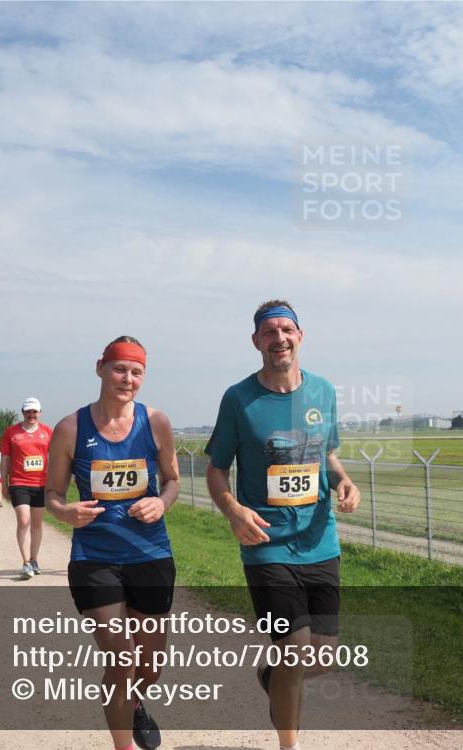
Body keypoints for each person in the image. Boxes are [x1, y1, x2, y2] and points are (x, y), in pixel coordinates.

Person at [205, 300, 361, 750]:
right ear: (256, 341)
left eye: (286, 330)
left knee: (323, 657)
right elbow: (216, 470)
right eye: (269, 332)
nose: (279, 339)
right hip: (266, 544)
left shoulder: (324, 392)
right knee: (294, 651)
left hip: (320, 542)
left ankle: (271, 675)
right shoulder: (238, 399)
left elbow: (327, 456)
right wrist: (234, 511)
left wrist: (344, 482)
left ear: (300, 335)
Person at [46, 336, 179, 750]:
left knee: (150, 666)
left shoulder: (156, 422)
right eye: (120, 368)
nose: (128, 378)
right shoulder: (70, 428)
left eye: (136, 372)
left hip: (150, 553)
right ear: (100, 367)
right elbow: (51, 496)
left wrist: (161, 501)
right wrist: (66, 513)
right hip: (94, 557)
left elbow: (173, 480)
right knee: (120, 659)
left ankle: (136, 703)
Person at [1, 397, 53, 579]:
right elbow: (5, 459)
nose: (31, 415)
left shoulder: (47, 431)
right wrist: (4, 484)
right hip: (18, 482)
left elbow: (54, 457)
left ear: (40, 412)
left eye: (35, 411)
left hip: (40, 483)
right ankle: (25, 563)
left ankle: (34, 559)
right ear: (22, 412)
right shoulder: (11, 432)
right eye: (28, 411)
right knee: (24, 521)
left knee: (37, 523)